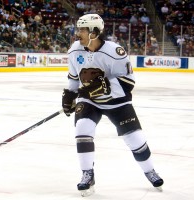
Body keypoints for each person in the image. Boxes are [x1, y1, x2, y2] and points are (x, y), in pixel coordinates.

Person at [61, 14, 164, 197]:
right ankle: (87, 174)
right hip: (90, 101)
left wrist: (105, 87)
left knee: (136, 140)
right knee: (82, 129)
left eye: (82, 30)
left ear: (94, 32)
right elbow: (74, 78)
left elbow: (128, 83)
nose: (78, 34)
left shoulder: (114, 52)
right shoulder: (74, 51)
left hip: (117, 102)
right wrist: (70, 95)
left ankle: (149, 171)